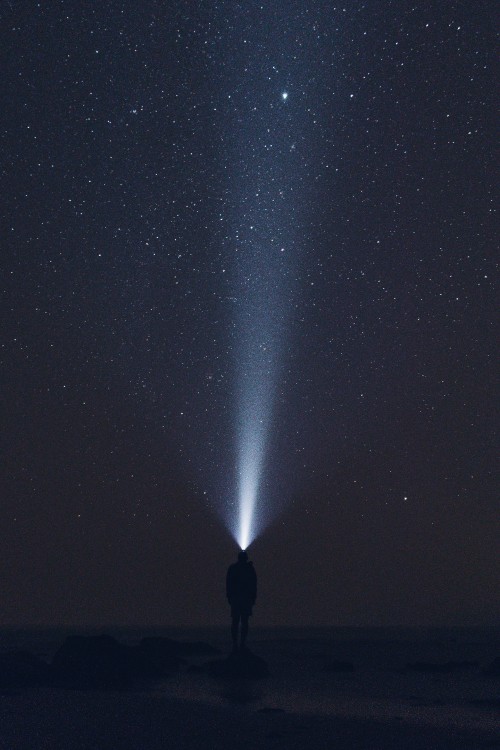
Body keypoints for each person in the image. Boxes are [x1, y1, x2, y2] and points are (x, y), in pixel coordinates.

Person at [226, 549, 257, 652]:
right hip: (245, 599)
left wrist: (229, 597)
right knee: (244, 621)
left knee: (236, 621)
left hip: (236, 598)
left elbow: (228, 584)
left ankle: (236, 644)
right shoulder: (249, 569)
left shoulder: (233, 568)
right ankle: (241, 644)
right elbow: (254, 584)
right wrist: (253, 598)